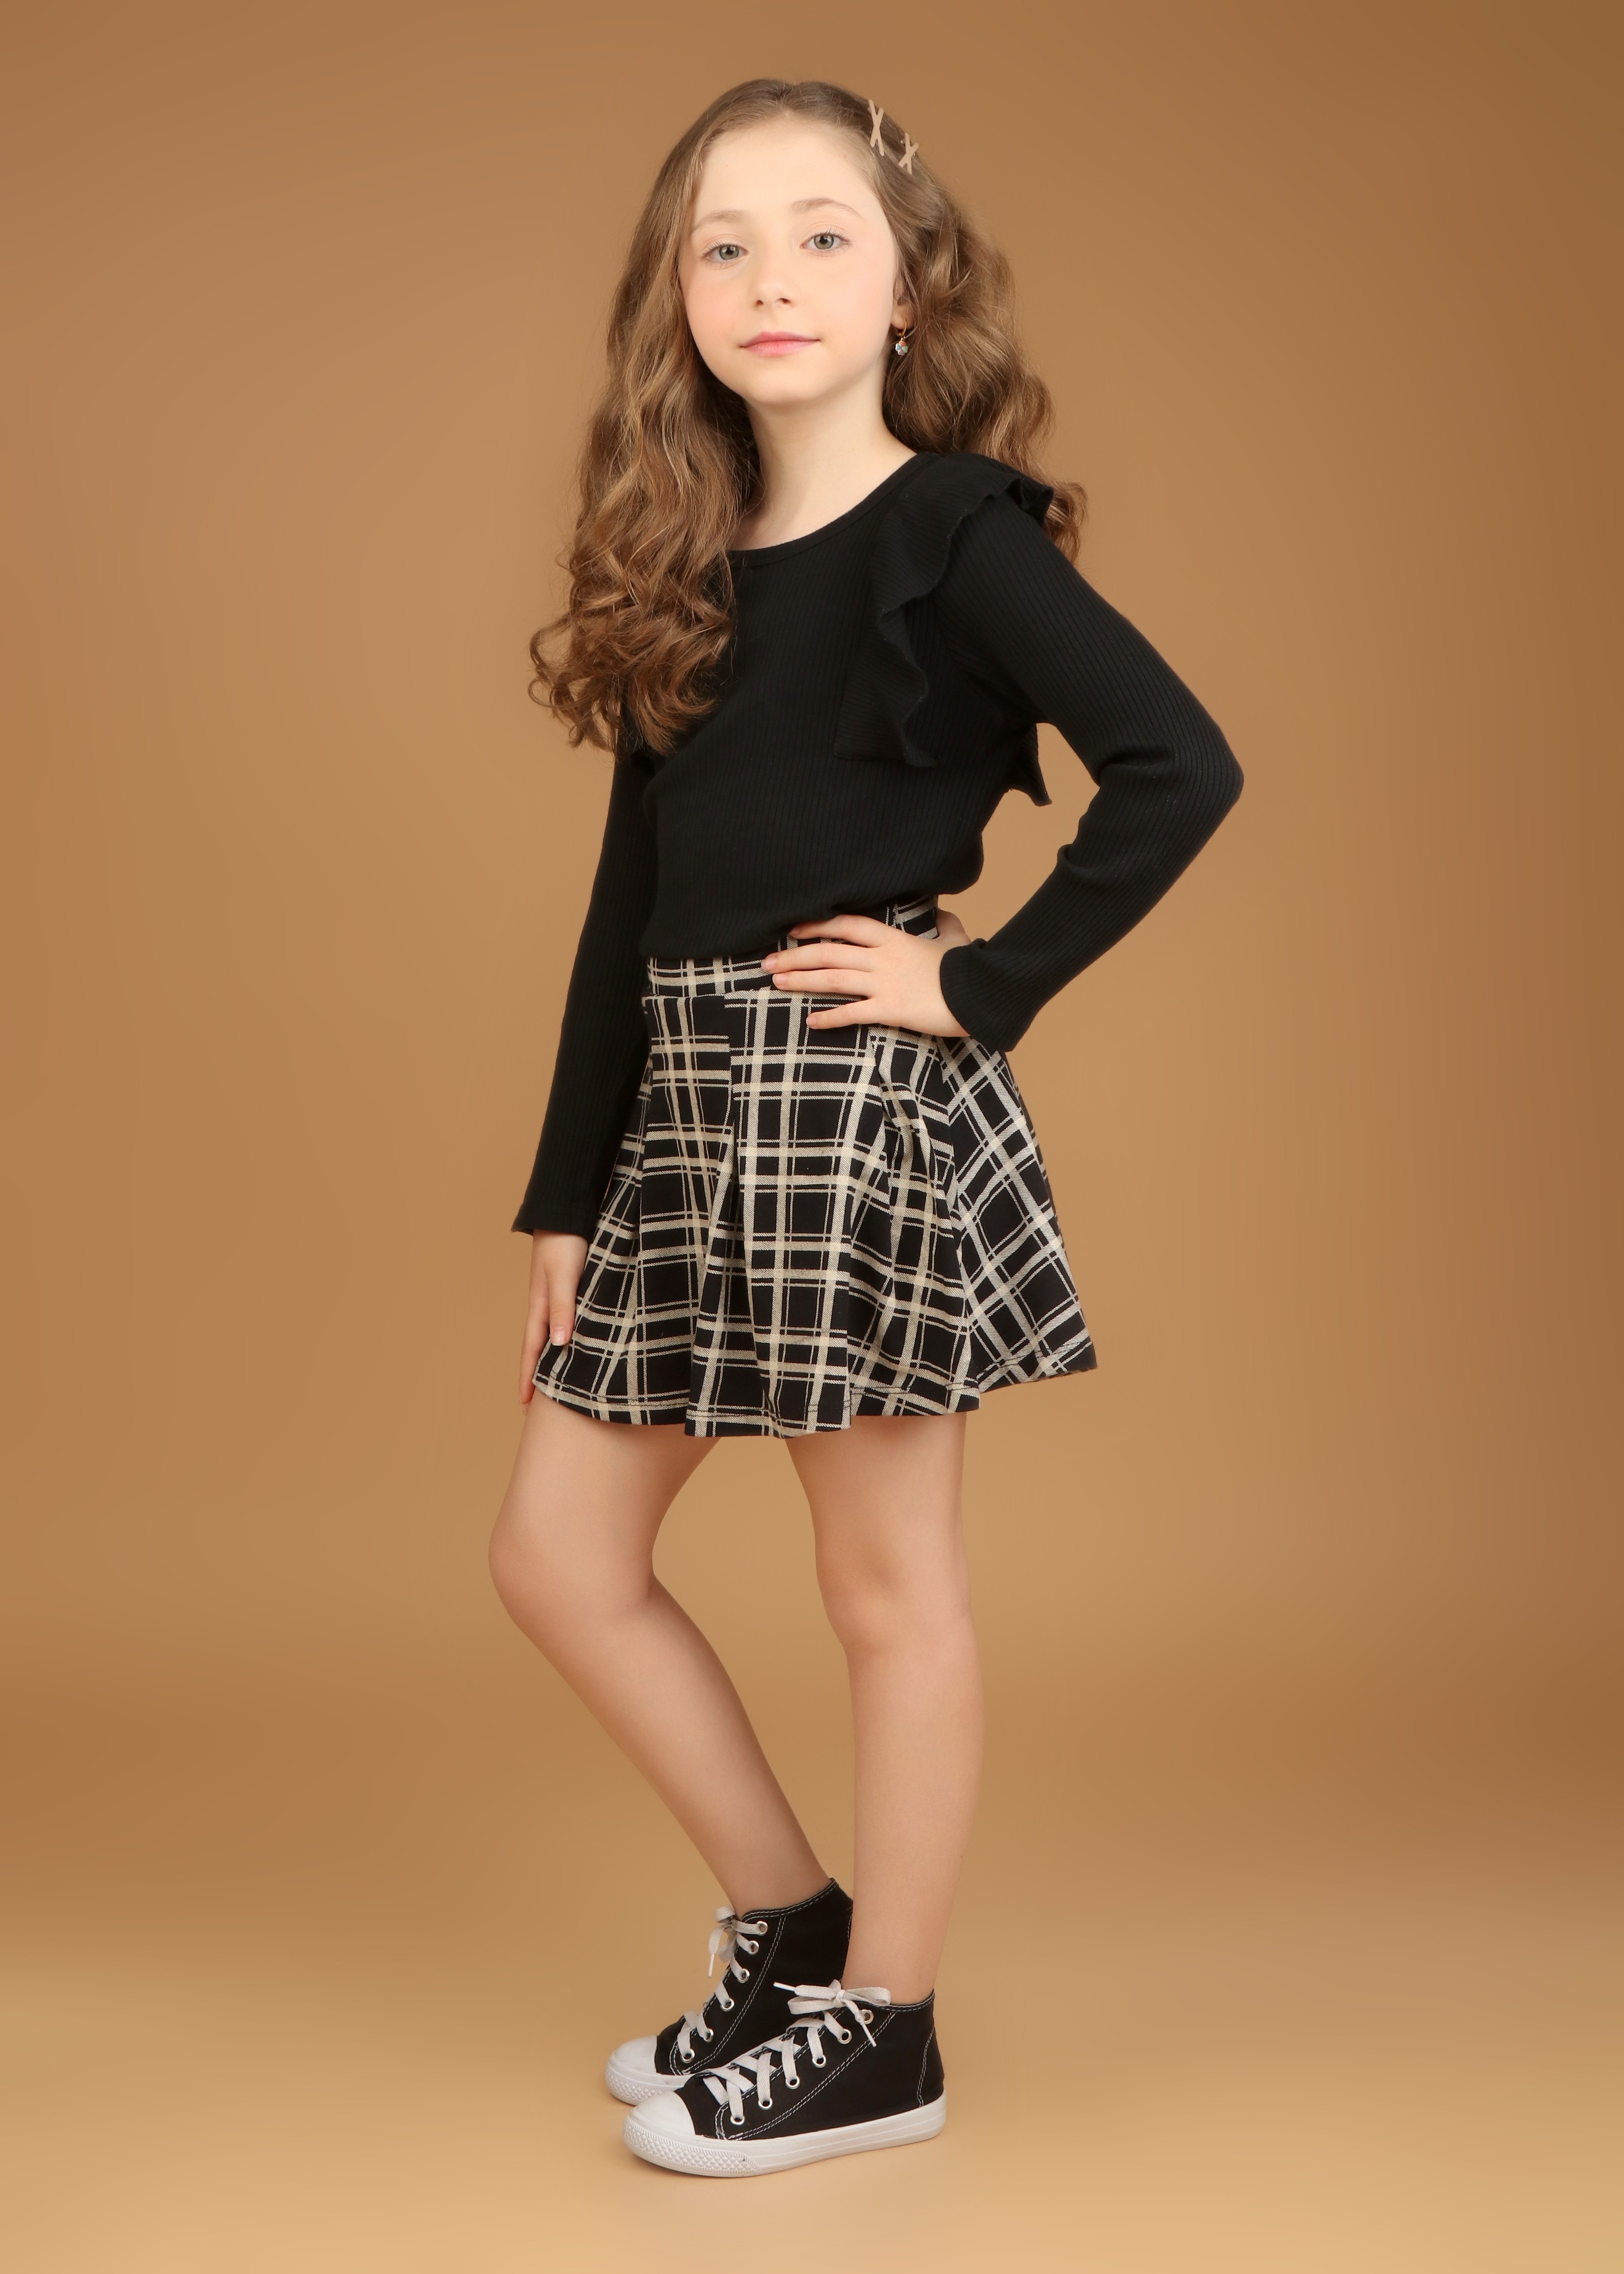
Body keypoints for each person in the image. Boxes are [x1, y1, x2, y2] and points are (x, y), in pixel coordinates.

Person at [488, 77, 1243, 2178]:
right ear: (677, 298)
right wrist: (565, 1192)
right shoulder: (688, 556)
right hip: (680, 1111)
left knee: (885, 1587)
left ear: (909, 284)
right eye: (723, 245)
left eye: (823, 234)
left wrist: (978, 989)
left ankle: (886, 2028)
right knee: (556, 1557)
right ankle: (794, 1921)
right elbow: (630, 902)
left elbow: (1181, 765)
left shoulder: (955, 534)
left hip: (849, 1103)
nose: (773, 278)